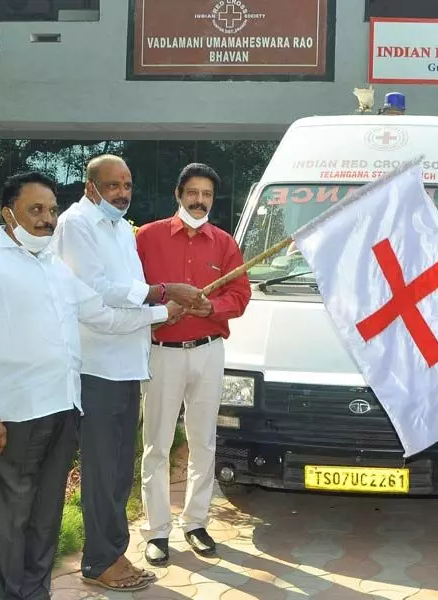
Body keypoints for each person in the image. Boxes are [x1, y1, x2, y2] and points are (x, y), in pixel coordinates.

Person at [0, 171, 180, 600]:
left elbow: (100, 315)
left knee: (44, 517)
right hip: (8, 417)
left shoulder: (53, 266)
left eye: (51, 210)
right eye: (35, 210)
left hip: (60, 410)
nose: (47, 220)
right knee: (6, 521)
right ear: (8, 213)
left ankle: (36, 593)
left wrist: (162, 313)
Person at [52, 154, 205, 591]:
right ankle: (101, 560)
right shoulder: (76, 225)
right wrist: (162, 297)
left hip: (126, 366)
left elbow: (131, 299)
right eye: (112, 185)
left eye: (127, 184)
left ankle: (112, 553)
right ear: (90, 187)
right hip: (96, 367)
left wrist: (159, 310)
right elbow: (100, 297)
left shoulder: (121, 227)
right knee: (102, 471)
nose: (122, 193)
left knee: (119, 469)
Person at [137, 163, 252, 566]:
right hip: (162, 352)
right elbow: (131, 288)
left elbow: (240, 295)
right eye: (193, 193)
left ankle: (196, 523)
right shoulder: (147, 238)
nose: (199, 201)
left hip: (208, 350)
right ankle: (157, 531)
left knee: (204, 440)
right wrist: (156, 307)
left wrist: (211, 305)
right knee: (157, 444)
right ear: (178, 194)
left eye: (206, 195)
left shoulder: (224, 243)